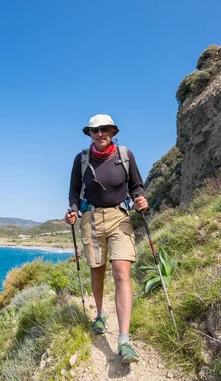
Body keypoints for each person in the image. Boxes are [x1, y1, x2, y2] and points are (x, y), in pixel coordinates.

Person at [64, 114, 148, 364]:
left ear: (112, 131)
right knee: (97, 271)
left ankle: (124, 341)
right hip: (90, 218)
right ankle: (100, 314)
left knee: (122, 273)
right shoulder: (81, 159)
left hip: (119, 216)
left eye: (105, 129)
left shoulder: (125, 155)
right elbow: (73, 192)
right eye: (94, 130)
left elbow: (137, 186)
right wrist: (72, 210)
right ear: (89, 133)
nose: (100, 134)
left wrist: (140, 199)